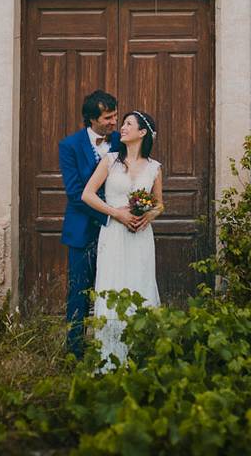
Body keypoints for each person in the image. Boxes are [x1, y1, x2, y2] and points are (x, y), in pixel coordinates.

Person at [82, 110, 164, 369]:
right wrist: (116, 213)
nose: (122, 128)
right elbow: (88, 194)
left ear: (142, 133)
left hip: (139, 237)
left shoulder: (154, 168)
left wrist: (147, 216)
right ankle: (110, 358)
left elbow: (160, 205)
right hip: (114, 234)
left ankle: (140, 358)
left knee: (140, 285)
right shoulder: (110, 160)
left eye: (129, 124)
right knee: (112, 287)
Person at [58, 90, 121, 359]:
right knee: (80, 292)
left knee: (114, 288)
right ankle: (74, 352)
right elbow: (75, 192)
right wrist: (108, 215)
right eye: (108, 118)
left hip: (117, 232)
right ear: (91, 119)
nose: (114, 122)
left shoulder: (120, 140)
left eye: (116, 115)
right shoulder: (69, 146)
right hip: (83, 231)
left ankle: (113, 347)